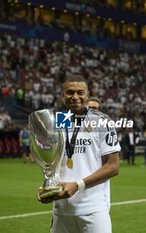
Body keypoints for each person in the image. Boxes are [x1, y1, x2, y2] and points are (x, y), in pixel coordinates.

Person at [38, 75, 120, 233]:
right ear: (63, 96)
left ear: (87, 95)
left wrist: (78, 185)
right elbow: (55, 162)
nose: (75, 97)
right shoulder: (58, 121)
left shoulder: (102, 121)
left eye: (80, 92)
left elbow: (113, 166)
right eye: (69, 92)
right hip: (62, 209)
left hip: (93, 209)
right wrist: (48, 186)